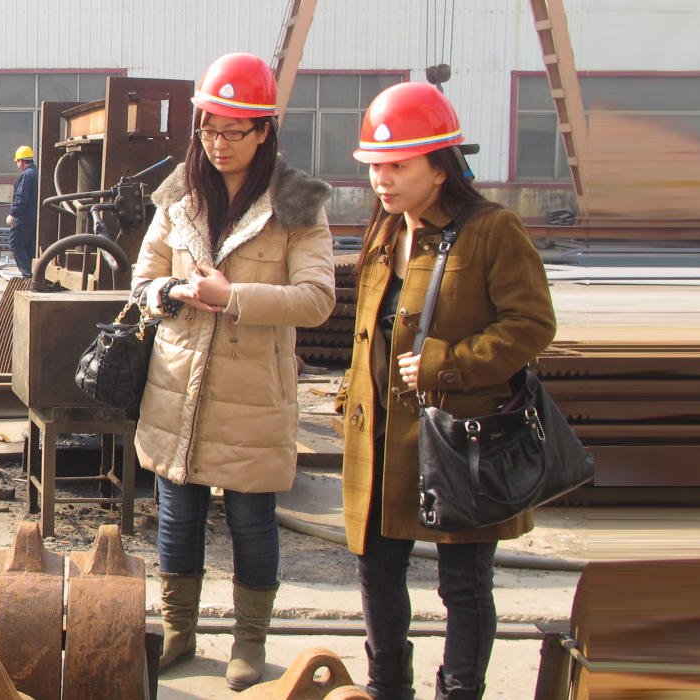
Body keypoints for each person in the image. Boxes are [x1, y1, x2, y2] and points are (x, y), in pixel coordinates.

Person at [338, 82, 555, 700]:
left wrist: (449, 365)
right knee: (377, 569)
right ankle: (387, 687)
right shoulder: (386, 231)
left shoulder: (491, 231)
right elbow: (370, 331)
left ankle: (458, 692)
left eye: (398, 166)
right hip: (382, 436)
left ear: (440, 168)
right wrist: (352, 397)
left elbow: (531, 324)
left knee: (463, 584)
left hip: (460, 439)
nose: (381, 179)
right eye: (375, 166)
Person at [126, 52, 335, 690]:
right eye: (209, 130)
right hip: (177, 384)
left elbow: (316, 299)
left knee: (250, 521)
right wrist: (170, 292)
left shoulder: (297, 202)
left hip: (252, 393)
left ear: (264, 131)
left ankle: (249, 640)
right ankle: (179, 630)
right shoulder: (179, 194)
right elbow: (142, 280)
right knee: (177, 515)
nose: (218, 144)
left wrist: (232, 297)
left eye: (234, 131)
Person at [5, 146, 38, 276]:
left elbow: (21, 197)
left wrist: (13, 214)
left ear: (21, 161)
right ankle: (35, 275)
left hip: (24, 219)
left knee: (15, 244)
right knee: (29, 247)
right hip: (35, 219)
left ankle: (28, 274)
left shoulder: (26, 175)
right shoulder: (37, 173)